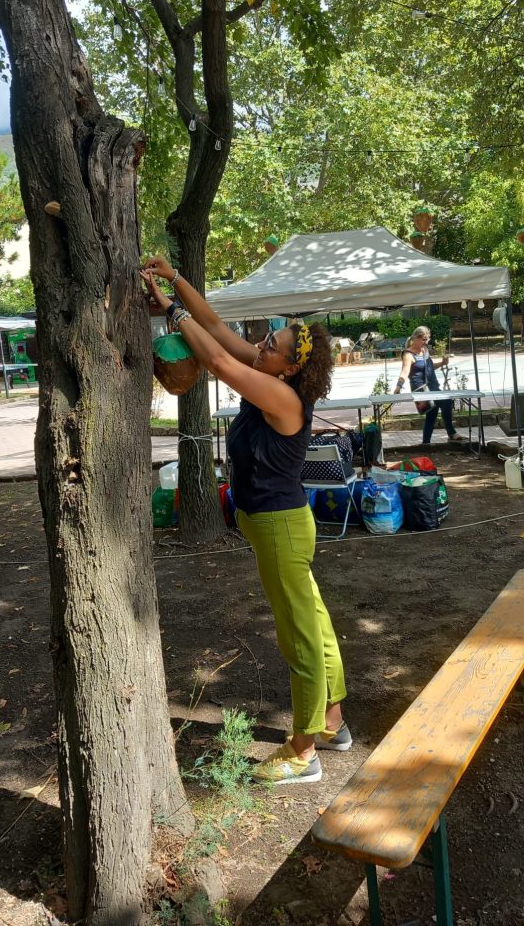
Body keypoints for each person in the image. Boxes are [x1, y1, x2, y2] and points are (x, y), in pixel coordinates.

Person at [142, 256, 350, 784]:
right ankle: (333, 723)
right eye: (265, 340)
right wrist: (174, 287)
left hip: (280, 527)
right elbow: (214, 329)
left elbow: (213, 358)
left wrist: (170, 319)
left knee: (299, 634)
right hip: (280, 524)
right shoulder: (267, 371)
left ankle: (304, 753)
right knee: (316, 623)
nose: (260, 345)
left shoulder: (280, 396)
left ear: (290, 367)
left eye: (271, 346)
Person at [393, 326, 464, 444]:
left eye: (427, 339)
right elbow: (405, 371)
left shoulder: (425, 350)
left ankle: (426, 443)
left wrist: (442, 363)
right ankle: (451, 433)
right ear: (416, 338)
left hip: (433, 387)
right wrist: (398, 386)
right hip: (421, 390)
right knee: (446, 402)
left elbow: (430, 367)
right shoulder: (408, 354)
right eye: (423, 340)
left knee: (432, 413)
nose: (426, 342)